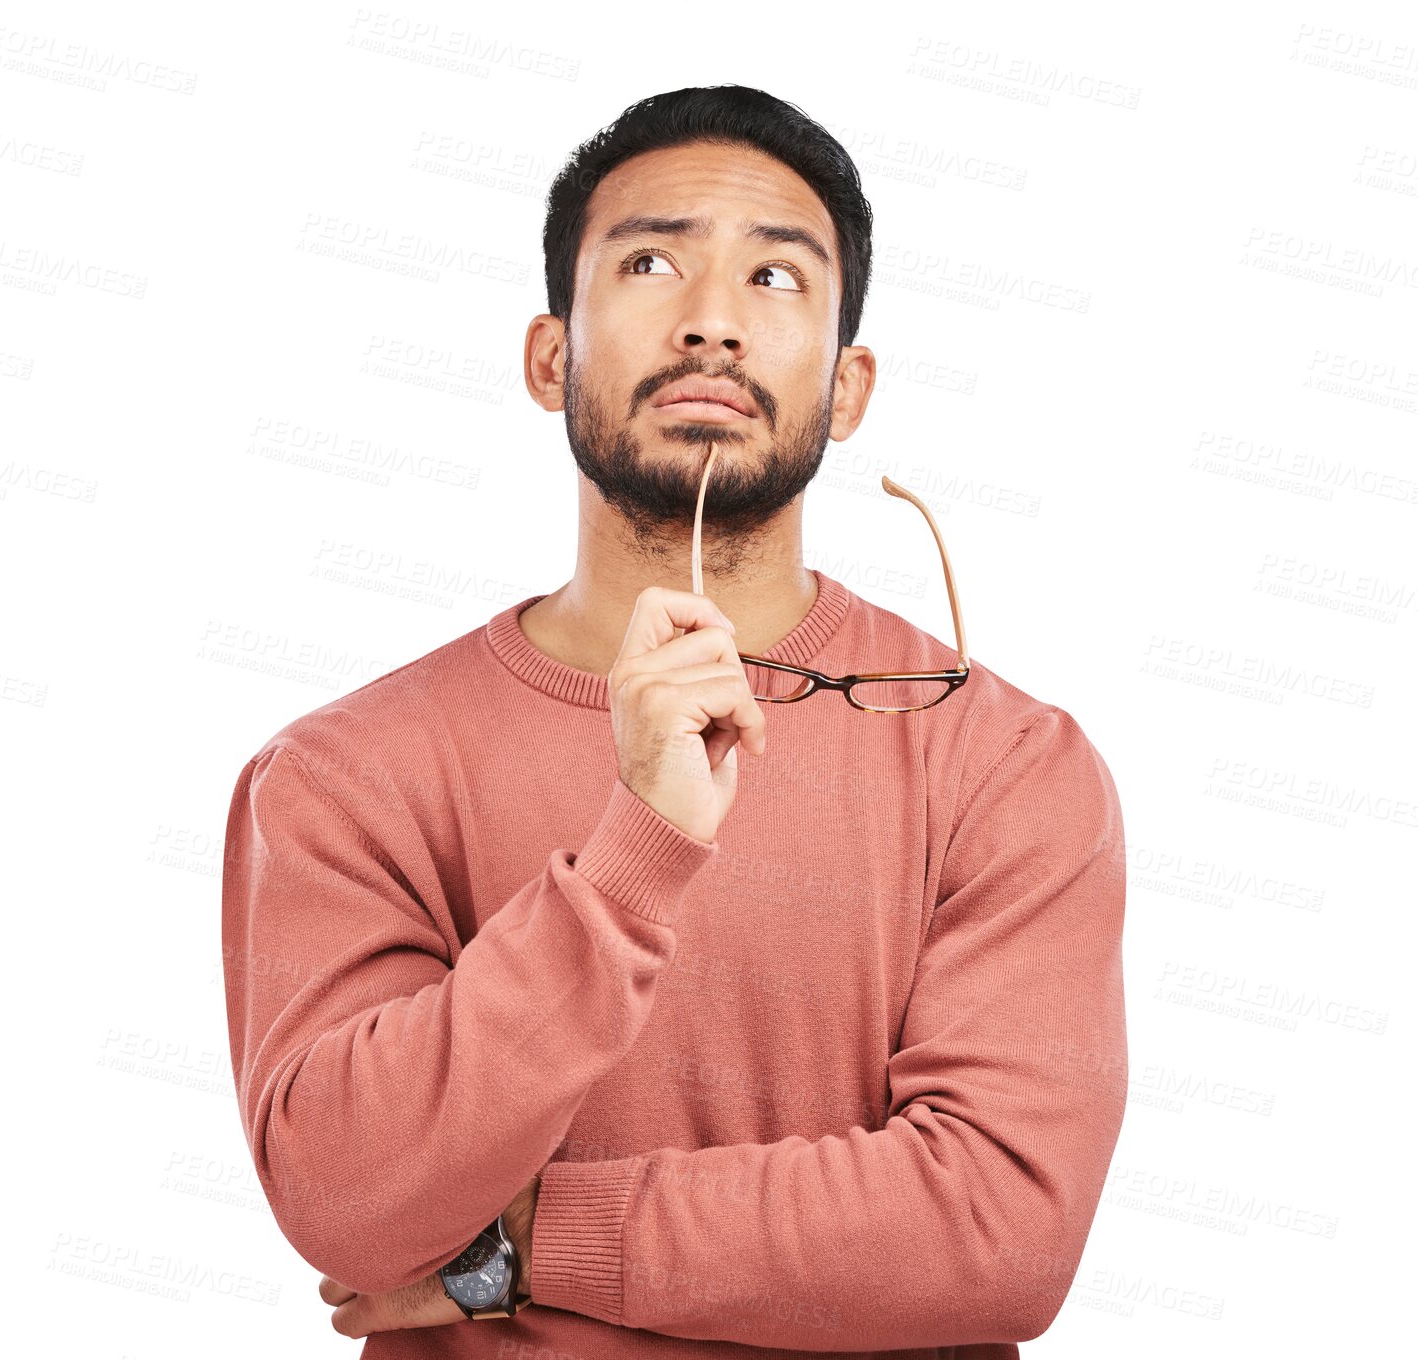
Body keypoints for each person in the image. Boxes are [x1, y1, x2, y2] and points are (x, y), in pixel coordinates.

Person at [221, 84, 1128, 1359]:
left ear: (850, 386)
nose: (711, 322)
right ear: (551, 358)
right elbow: (349, 1201)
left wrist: (525, 1247)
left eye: (775, 279)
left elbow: (998, 1231)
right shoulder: (341, 775)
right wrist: (637, 848)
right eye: (650, 262)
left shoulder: (1009, 762)